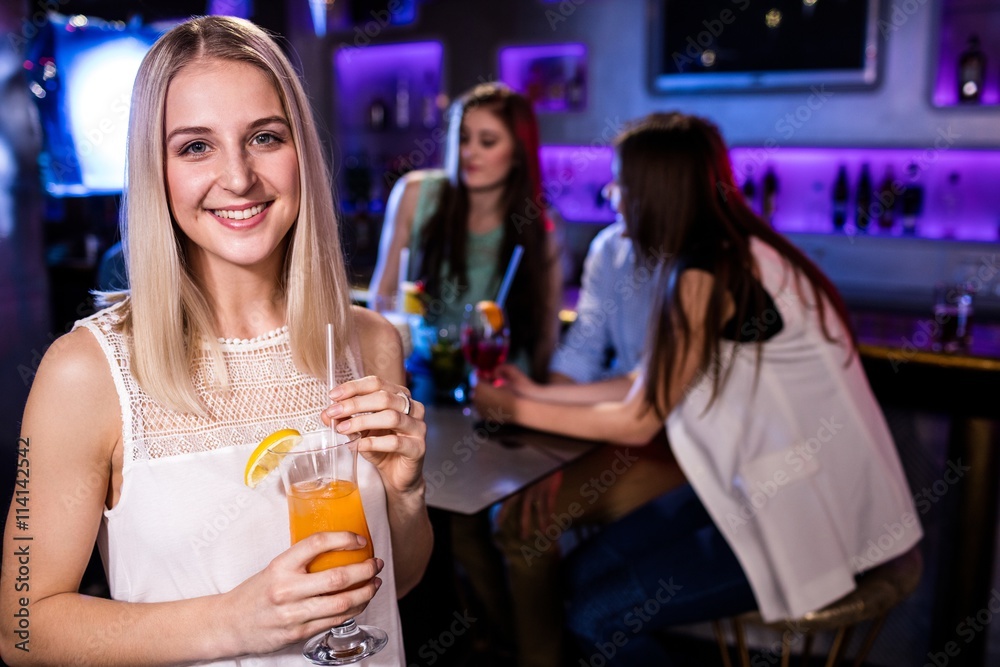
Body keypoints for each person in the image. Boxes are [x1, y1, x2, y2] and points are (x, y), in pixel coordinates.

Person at [0, 16, 431, 667]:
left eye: (264, 136)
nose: (238, 177)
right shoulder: (84, 373)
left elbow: (395, 584)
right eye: (195, 146)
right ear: (157, 170)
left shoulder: (368, 341)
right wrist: (234, 620)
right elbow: (22, 629)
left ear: (301, 153)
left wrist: (404, 493)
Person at [475, 112, 922, 664]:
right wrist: (534, 395)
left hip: (816, 517)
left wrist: (512, 405)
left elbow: (642, 417)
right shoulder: (720, 252)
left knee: (595, 613)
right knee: (580, 578)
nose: (612, 196)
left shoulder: (704, 273)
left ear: (657, 191)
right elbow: (645, 382)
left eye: (623, 183)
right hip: (760, 490)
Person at [368, 82, 561, 380]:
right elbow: (381, 299)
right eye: (463, 138)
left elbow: (547, 334)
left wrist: (526, 397)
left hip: (501, 383)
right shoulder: (416, 194)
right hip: (423, 376)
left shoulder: (540, 225)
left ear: (518, 152)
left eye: (487, 141)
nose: (469, 152)